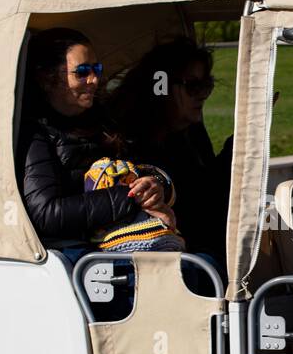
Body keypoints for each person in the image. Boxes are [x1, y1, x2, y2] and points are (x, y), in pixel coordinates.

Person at [15, 28, 174, 253]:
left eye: (96, 69)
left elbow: (143, 167)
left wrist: (157, 185)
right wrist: (131, 198)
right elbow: (46, 213)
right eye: (81, 72)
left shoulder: (105, 120)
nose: (94, 79)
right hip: (69, 255)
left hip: (110, 241)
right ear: (46, 78)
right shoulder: (33, 133)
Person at [109, 36, 231, 266]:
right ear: (162, 88)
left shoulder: (189, 132)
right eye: (193, 86)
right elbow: (194, 204)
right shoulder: (132, 144)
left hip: (204, 247)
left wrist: (241, 141)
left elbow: (211, 190)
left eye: (207, 84)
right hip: (173, 256)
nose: (203, 94)